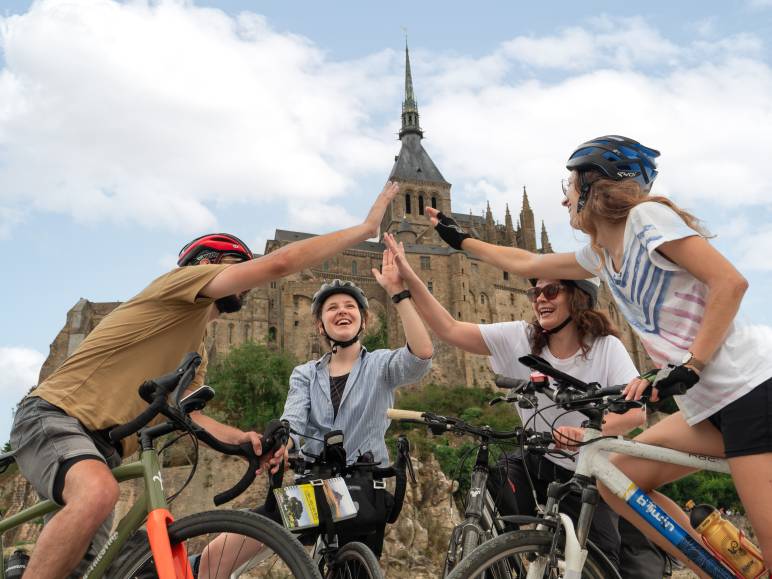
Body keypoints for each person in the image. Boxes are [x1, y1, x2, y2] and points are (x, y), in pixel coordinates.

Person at [8, 182, 399, 579]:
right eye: (235, 267)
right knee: (98, 495)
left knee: (104, 566)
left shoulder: (196, 349)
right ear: (206, 264)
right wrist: (365, 227)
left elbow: (189, 414)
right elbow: (280, 265)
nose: (245, 283)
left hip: (102, 453)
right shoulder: (175, 287)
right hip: (56, 416)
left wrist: (244, 441)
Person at [423, 135, 772, 576]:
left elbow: (731, 282)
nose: (564, 197)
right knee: (616, 475)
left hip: (751, 389)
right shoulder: (602, 255)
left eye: (569, 185)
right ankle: (719, 569)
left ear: (593, 185)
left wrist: (691, 365)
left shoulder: (647, 219)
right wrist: (463, 241)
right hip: (706, 406)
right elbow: (530, 263)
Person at [383, 232, 665, 577]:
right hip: (538, 460)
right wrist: (406, 280)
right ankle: (515, 560)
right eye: (535, 292)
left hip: (593, 468)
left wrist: (586, 431)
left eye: (551, 291)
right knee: (490, 483)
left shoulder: (605, 347)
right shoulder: (521, 337)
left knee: (602, 557)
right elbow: (451, 329)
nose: (539, 299)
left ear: (577, 297)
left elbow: (636, 412)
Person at [203, 251, 432, 570]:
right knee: (222, 551)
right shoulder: (305, 374)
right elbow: (293, 422)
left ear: (364, 320)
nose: (342, 312)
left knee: (354, 570)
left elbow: (421, 356)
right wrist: (282, 443)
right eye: (332, 308)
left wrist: (398, 292)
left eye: (350, 307)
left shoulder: (380, 365)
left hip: (362, 492)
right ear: (320, 325)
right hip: (314, 490)